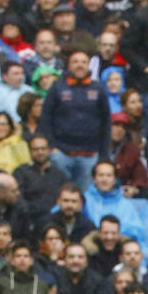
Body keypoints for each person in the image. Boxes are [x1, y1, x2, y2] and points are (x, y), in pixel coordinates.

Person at [38, 49, 109, 192]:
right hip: (62, 153)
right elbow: (46, 118)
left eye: (83, 62)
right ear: (69, 66)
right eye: (75, 62)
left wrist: (103, 153)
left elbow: (106, 121)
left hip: (90, 154)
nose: (80, 65)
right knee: (59, 194)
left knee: (84, 197)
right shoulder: (57, 87)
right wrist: (52, 147)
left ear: (89, 65)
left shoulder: (98, 88)